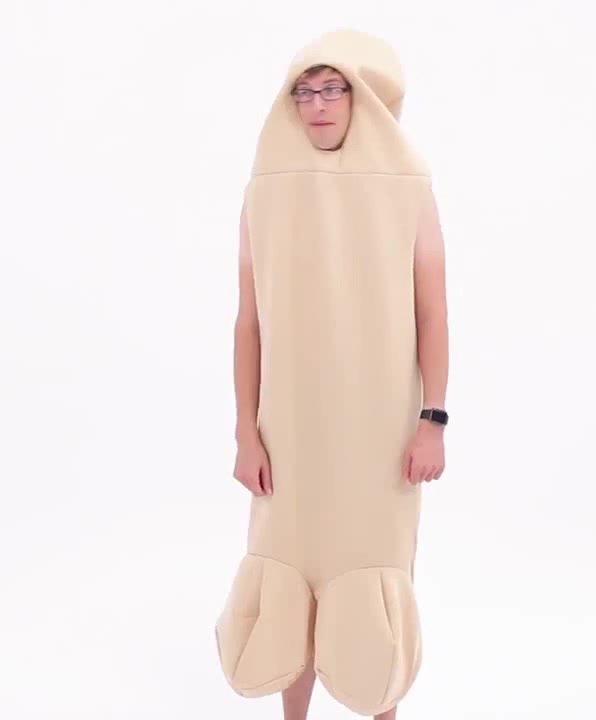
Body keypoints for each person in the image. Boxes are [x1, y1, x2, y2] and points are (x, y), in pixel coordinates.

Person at [215, 29, 449, 720]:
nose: (317, 105)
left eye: (332, 89)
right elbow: (250, 322)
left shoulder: (409, 188)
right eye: (304, 91)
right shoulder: (264, 192)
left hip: (380, 437)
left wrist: (432, 420)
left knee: (372, 582)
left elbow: (433, 313)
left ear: (363, 98)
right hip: (289, 433)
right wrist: (246, 433)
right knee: (293, 579)